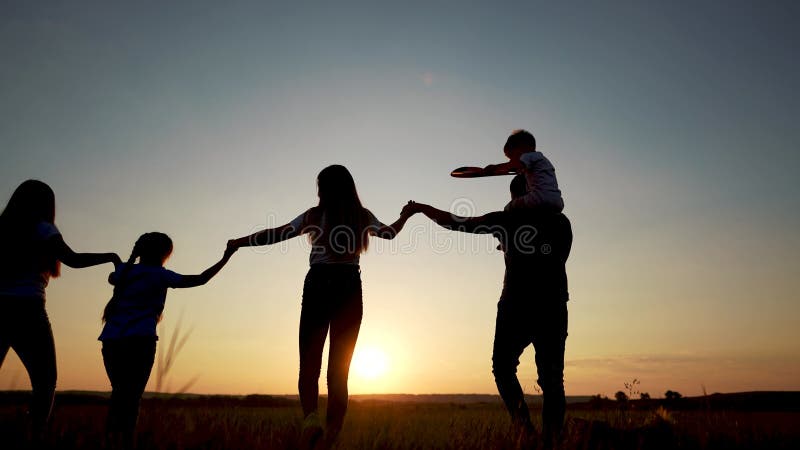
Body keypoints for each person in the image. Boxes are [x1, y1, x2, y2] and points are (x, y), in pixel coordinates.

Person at [227, 164, 412, 450]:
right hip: (349, 288)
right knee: (339, 372)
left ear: (322, 188)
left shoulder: (314, 215)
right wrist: (406, 216)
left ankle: (311, 420)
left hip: (318, 285)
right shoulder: (361, 216)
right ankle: (332, 437)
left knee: (309, 364)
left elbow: (277, 234)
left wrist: (242, 241)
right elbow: (388, 234)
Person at [404, 174, 572, 446]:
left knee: (503, 368)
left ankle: (525, 431)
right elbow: (555, 258)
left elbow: (457, 223)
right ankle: (552, 440)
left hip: (516, 304)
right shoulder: (562, 222)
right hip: (553, 304)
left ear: (517, 197)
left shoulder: (507, 220)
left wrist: (422, 209)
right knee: (552, 377)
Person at [0, 179, 122, 441]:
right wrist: (110, 256)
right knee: (45, 381)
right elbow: (73, 260)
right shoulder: (43, 229)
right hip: (27, 310)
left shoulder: (2, 227)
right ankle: (35, 432)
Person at [99, 232, 236, 449]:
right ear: (165, 254)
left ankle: (110, 440)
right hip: (140, 342)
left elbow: (112, 277)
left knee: (119, 395)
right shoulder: (161, 275)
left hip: (111, 341)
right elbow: (200, 279)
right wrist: (226, 257)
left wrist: (121, 262)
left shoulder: (125, 271)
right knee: (132, 399)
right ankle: (125, 442)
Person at [484, 129, 564, 213]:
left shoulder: (527, 156)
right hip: (557, 201)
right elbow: (517, 168)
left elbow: (515, 165)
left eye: (512, 156)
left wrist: (494, 167)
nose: (511, 161)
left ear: (522, 148)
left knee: (509, 207)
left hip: (538, 198)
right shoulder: (541, 160)